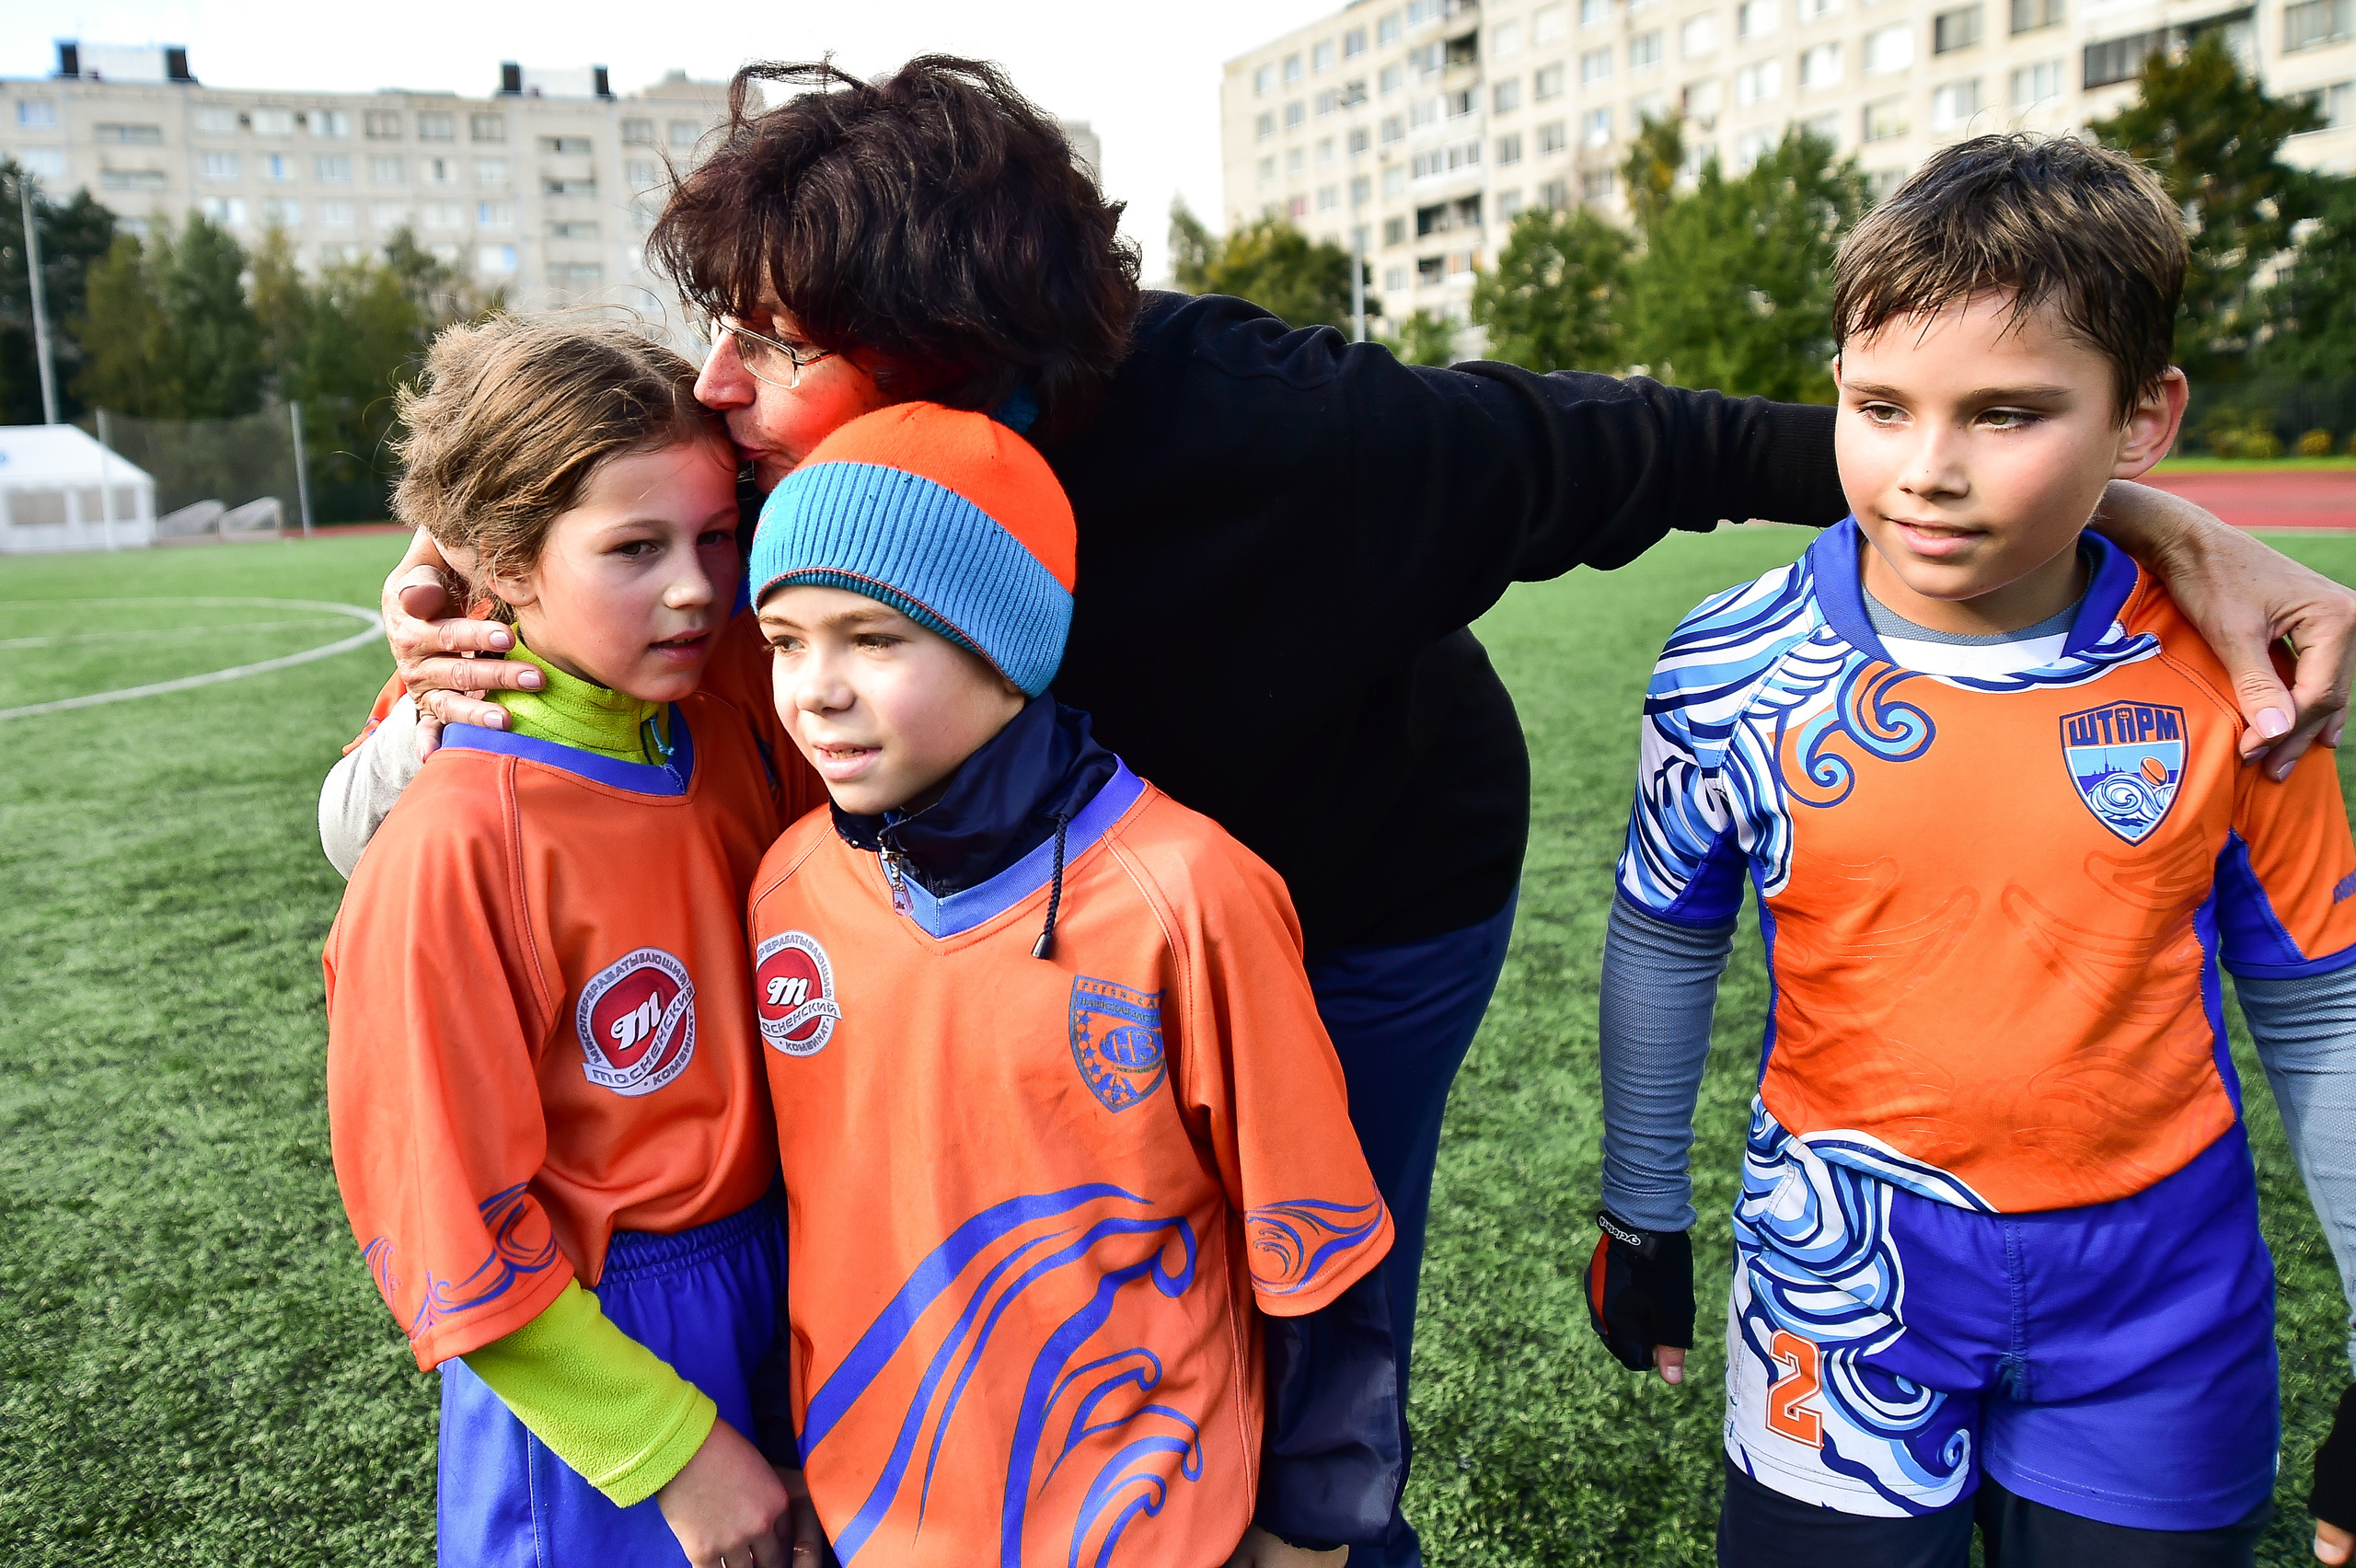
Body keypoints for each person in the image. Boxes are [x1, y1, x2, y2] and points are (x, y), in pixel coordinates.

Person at [336, 58, 2356, 1568]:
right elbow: (504, 775)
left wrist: (2145, 521)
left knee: (1306, 1265)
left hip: (1360, 895)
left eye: (769, 340)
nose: (720, 384)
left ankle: (1321, 1530)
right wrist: (434, 645)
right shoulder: (786, 493)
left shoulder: (1299, 438)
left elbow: (1659, 442)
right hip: (1022, 904)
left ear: (933, 352)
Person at [1583, 134, 2356, 1567]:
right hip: (1840, 1289)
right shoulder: (1728, 669)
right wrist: (1642, 1211)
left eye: (2006, 414)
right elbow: (1662, 932)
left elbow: (2321, 1004)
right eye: (1879, 406)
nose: (1925, 470)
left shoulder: (2242, 675)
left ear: (2145, 417)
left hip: (2159, 1310)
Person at [743, 401, 1401, 1565]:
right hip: (872, 1514)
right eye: (786, 640)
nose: (816, 689)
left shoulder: (1190, 896)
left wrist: (1313, 1528)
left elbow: (1316, 1244)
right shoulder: (786, 888)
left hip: (1144, 1526)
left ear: (1008, 648)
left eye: (873, 638)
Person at [321, 317, 820, 1568]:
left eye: (716, 537)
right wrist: (672, 1451)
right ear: (502, 560)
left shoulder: (726, 723)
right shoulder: (453, 843)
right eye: (635, 549)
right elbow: (446, 1228)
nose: (698, 585)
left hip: (787, 1290)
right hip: (603, 1363)